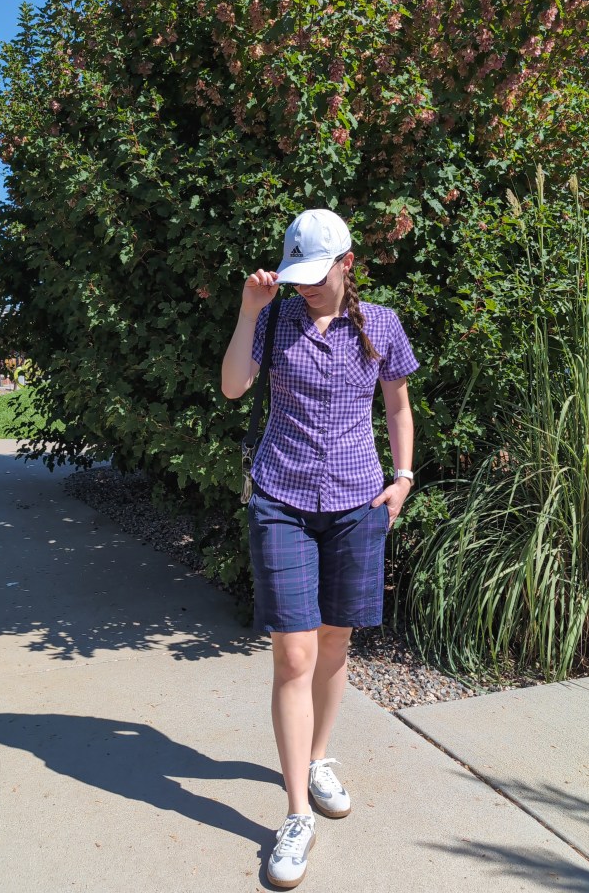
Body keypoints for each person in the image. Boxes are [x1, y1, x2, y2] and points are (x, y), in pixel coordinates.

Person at [221, 208, 418, 889]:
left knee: (336, 641)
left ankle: (317, 757)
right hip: (281, 498)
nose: (306, 287)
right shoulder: (275, 319)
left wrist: (402, 479)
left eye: (318, 275)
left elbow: (396, 405)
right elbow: (232, 388)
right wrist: (250, 310)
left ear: (347, 264)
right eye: (295, 275)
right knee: (295, 650)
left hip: (359, 501)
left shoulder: (380, 325)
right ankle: (296, 814)